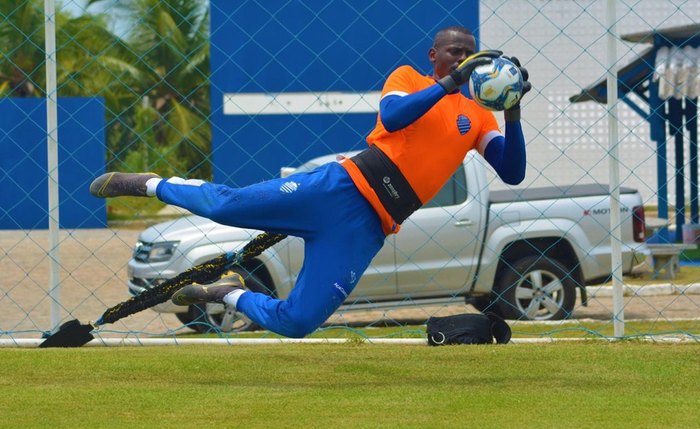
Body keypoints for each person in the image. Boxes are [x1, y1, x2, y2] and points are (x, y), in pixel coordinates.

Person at [89, 26, 531, 338]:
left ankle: (227, 293)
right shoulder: (408, 79)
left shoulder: (477, 117)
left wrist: (510, 110)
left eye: (469, 52)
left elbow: (512, 171)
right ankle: (150, 184)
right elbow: (394, 117)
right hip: (337, 189)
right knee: (226, 206)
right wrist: (450, 84)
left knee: (298, 323)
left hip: (367, 229)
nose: (462, 58)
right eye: (454, 52)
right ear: (434, 56)